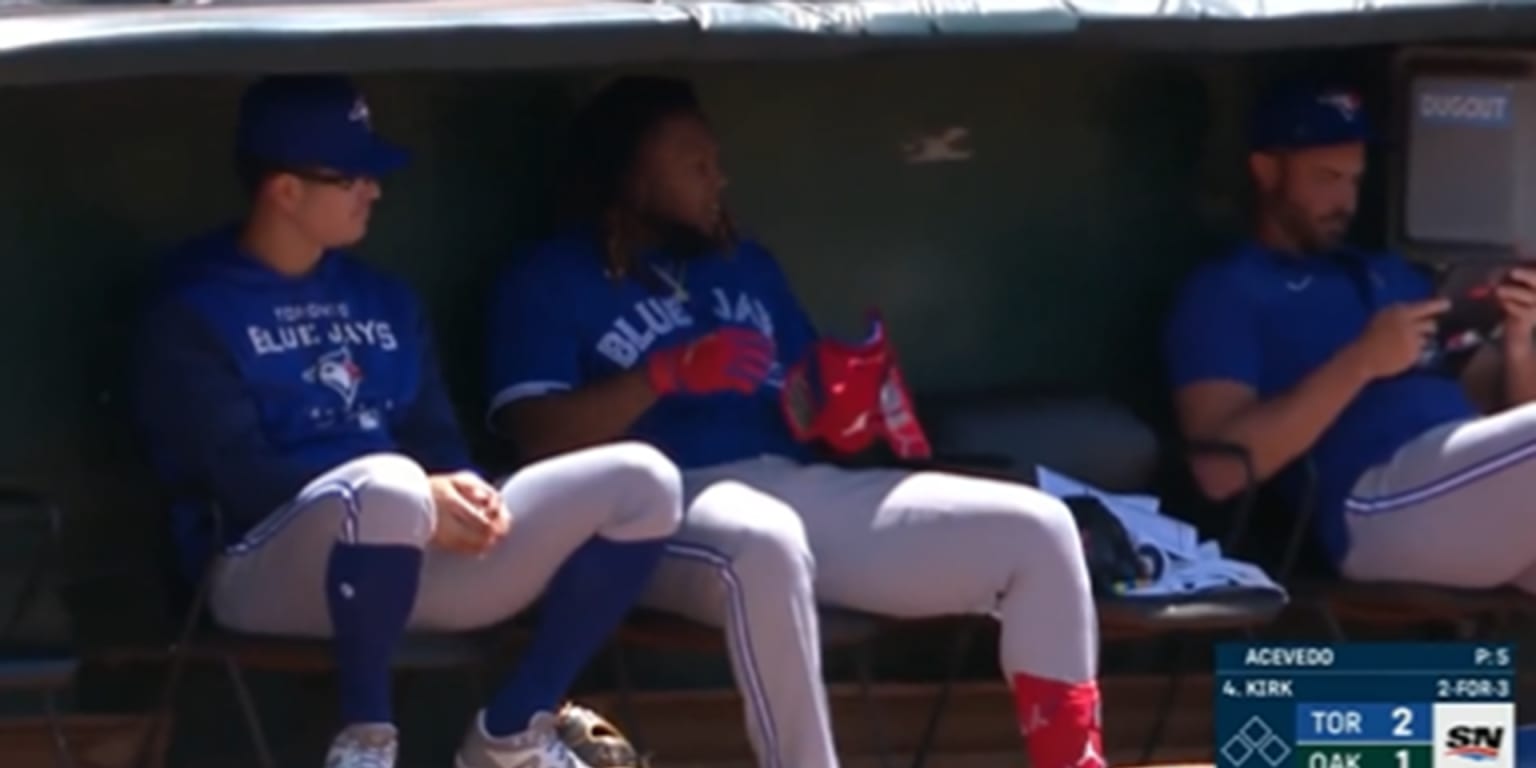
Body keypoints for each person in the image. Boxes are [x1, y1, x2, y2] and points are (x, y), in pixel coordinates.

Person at [484, 75, 1103, 768]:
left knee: (1036, 530)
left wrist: (850, 402)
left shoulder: (743, 265)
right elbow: (536, 433)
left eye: (716, 160)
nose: (718, 178)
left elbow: (805, 400)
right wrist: (662, 375)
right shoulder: (548, 276)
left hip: (789, 480)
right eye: (695, 163)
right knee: (765, 540)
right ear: (632, 176)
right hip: (650, 512)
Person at [131, 74, 682, 768]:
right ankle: (365, 744)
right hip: (262, 568)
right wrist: (420, 494)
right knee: (388, 483)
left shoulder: (384, 298)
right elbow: (240, 476)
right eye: (352, 177)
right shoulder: (193, 308)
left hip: (401, 546)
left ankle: (514, 729)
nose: (375, 190)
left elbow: (435, 440)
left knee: (644, 480)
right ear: (286, 190)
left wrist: (459, 486)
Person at [1163, 82, 1536, 591]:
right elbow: (1219, 471)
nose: (1345, 200)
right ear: (1267, 169)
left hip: (1473, 492)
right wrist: (1361, 361)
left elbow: (1511, 419)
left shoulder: (1392, 272)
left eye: (1355, 181)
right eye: (1327, 177)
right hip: (1377, 505)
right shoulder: (1227, 289)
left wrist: (1519, 340)